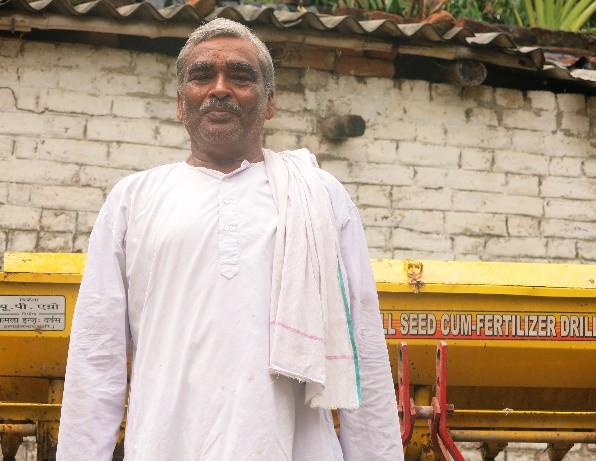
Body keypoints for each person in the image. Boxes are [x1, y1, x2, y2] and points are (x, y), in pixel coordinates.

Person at [57, 18, 403, 461]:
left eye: (241, 77)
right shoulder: (133, 200)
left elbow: (365, 354)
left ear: (270, 102)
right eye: (202, 76)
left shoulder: (320, 197)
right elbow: (95, 359)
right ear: (181, 103)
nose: (220, 88)